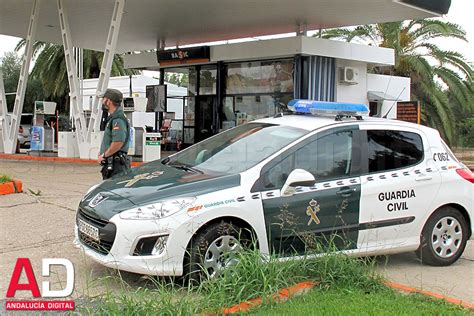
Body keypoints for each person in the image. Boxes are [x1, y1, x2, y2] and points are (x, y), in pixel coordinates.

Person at [98, 88, 131, 179]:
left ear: (109, 101)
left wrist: (104, 155)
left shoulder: (117, 119)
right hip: (113, 164)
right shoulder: (114, 118)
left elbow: (118, 142)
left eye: (103, 99)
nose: (102, 101)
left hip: (116, 166)